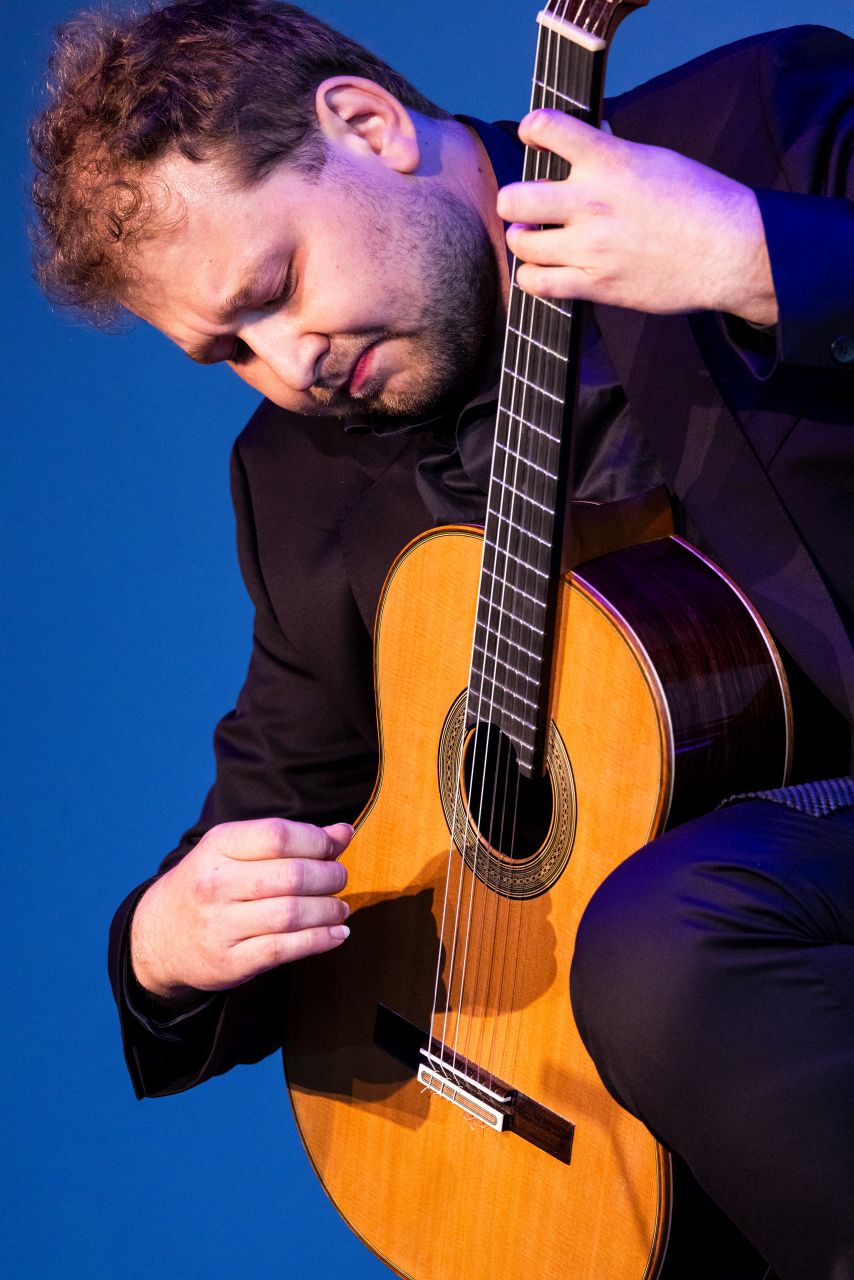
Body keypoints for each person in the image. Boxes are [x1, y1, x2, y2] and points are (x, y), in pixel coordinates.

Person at [30, 2, 853, 1278]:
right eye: (226, 350)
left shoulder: (748, 127)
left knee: (662, 938)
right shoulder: (294, 475)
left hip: (765, 891)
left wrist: (762, 259)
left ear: (366, 127)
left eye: (273, 288)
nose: (286, 366)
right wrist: (165, 942)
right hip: (666, 1049)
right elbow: (286, 805)